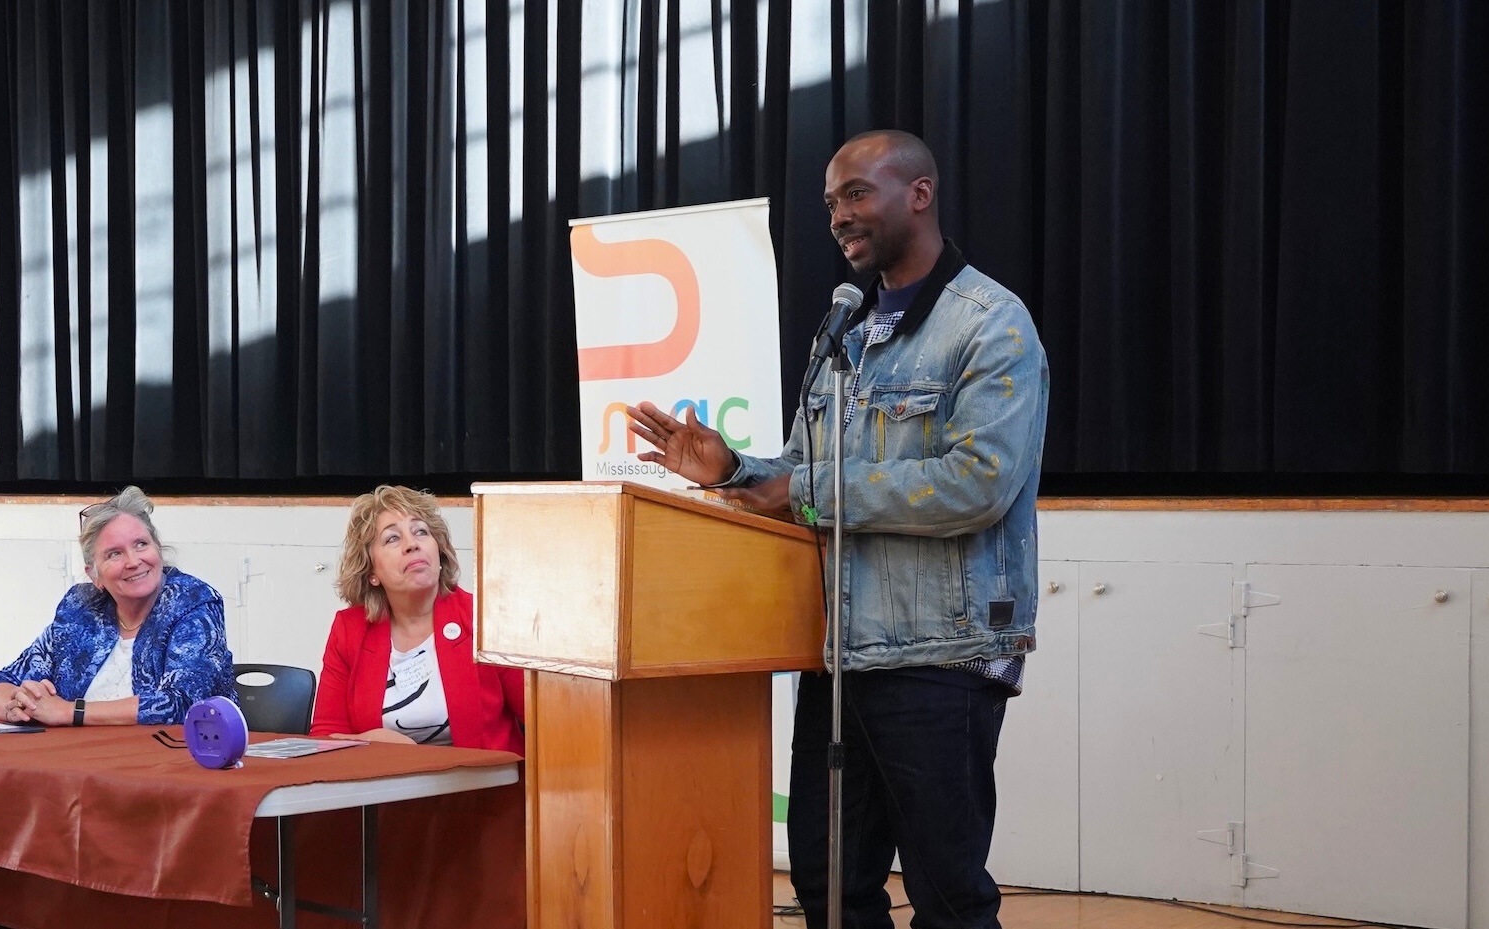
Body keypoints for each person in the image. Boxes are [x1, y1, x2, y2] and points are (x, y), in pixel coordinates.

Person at [625, 130, 1048, 929]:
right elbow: (798, 472)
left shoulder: (990, 324)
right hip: (839, 656)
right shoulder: (844, 331)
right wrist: (730, 472)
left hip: (938, 653)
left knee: (948, 896)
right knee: (830, 888)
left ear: (918, 194)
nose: (838, 216)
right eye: (829, 202)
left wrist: (802, 485)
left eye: (857, 194)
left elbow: (978, 484)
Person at [0, 486, 235, 727]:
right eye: (114, 554)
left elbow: (182, 703)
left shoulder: (193, 602)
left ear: (157, 549)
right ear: (94, 575)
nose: (134, 561)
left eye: (141, 544)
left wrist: (69, 712)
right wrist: (16, 704)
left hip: (175, 758)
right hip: (80, 757)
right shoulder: (79, 610)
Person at [310, 485, 525, 753]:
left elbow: (544, 719)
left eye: (420, 531)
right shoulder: (350, 630)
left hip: (481, 790)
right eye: (392, 539)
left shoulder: (485, 618)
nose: (412, 544)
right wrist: (378, 745)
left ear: (440, 552)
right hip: (386, 789)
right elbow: (326, 739)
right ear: (371, 571)